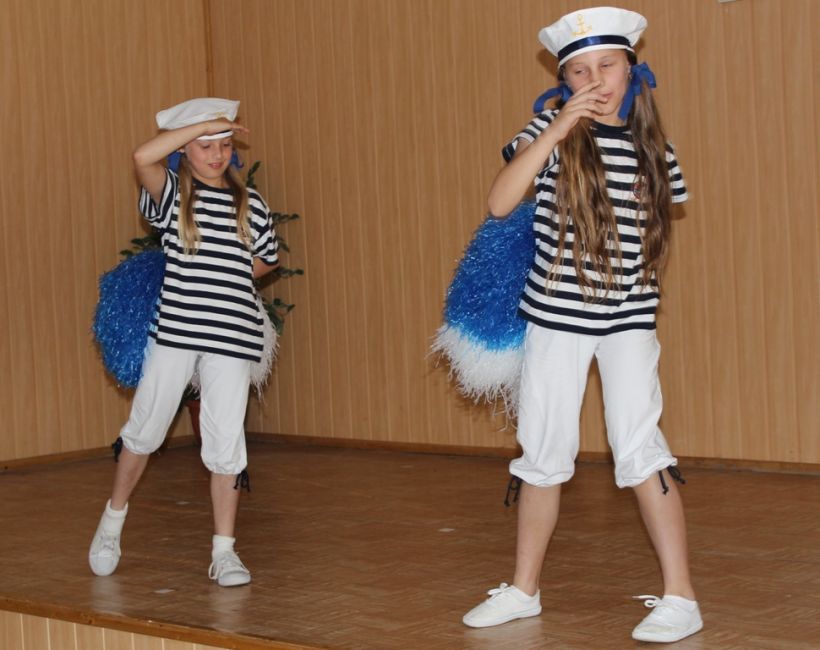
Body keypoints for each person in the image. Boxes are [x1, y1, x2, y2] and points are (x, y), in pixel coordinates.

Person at [461, 7, 703, 643]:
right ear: (562, 82)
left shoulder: (656, 151)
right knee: (542, 450)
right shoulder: (547, 133)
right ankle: (524, 590)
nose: (595, 80)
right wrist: (558, 129)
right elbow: (500, 202)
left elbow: (653, 226)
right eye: (579, 71)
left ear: (632, 72)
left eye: (607, 66)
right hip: (555, 320)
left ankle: (681, 596)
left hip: (628, 322)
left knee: (639, 445)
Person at [88, 98, 279, 587]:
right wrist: (205, 123)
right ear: (185, 150)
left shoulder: (252, 204)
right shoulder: (172, 194)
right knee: (145, 430)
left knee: (226, 443)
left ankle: (224, 552)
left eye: (224, 144)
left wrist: (227, 280)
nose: (217, 154)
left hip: (232, 336)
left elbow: (265, 261)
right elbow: (142, 157)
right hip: (175, 333)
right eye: (205, 144)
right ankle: (112, 522)